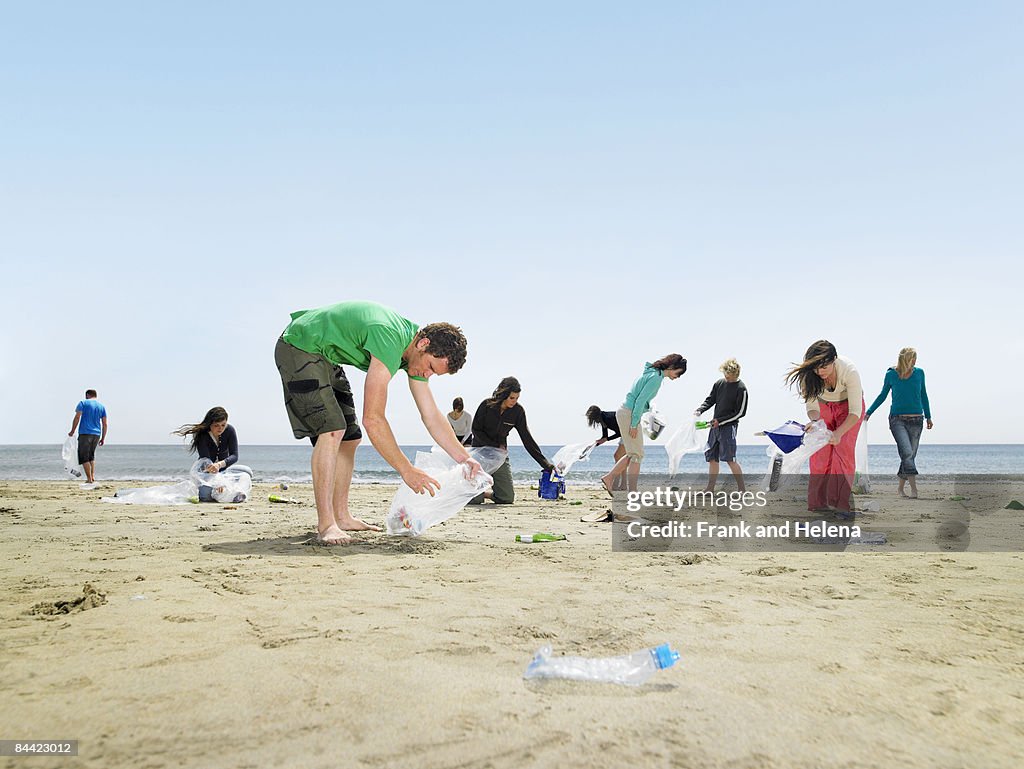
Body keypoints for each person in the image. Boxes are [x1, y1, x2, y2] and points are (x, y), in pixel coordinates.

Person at [275, 300, 479, 544]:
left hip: (325, 355)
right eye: (431, 368)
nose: (428, 375)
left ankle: (342, 516)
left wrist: (464, 457)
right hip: (299, 345)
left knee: (350, 439)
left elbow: (431, 415)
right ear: (424, 344)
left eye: (435, 374)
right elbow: (373, 419)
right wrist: (407, 470)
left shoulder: (413, 354)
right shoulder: (389, 338)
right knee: (332, 431)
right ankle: (326, 525)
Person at [786, 340, 864, 516]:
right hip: (823, 407)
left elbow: (855, 411)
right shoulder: (809, 375)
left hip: (849, 409)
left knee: (843, 450)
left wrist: (838, 433)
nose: (820, 371)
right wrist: (815, 423)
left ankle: (840, 503)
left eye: (824, 366)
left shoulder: (849, 370)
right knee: (820, 451)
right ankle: (818, 502)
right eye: (816, 367)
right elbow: (812, 408)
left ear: (834, 359)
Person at [600, 354, 688, 494]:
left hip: (626, 412)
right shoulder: (656, 378)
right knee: (637, 455)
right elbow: (640, 401)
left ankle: (609, 478)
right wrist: (634, 424)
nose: (677, 377)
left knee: (633, 453)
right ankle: (631, 491)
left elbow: (641, 399)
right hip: (629, 414)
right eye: (678, 373)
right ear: (672, 367)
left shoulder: (652, 373)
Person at [468, 377, 554, 504]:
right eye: (511, 398)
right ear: (504, 394)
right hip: (479, 454)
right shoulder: (486, 405)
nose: (514, 401)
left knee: (506, 498)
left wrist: (546, 465)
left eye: (517, 398)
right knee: (475, 500)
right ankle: (475, 493)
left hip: (499, 456)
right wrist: (495, 445)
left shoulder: (518, 411)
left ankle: (487, 493)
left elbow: (527, 438)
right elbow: (475, 429)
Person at [865, 347, 933, 498]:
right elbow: (882, 395)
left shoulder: (920, 373)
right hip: (897, 419)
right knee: (907, 453)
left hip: (917, 419)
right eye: (912, 358)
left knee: (908, 456)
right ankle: (914, 489)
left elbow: (923, 395)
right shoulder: (891, 374)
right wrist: (869, 411)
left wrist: (928, 416)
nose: (914, 361)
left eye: (915, 358)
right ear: (904, 359)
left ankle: (900, 489)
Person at [695, 358, 748, 493]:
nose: (726, 378)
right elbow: (710, 399)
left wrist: (721, 421)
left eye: (729, 376)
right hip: (715, 426)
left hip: (728, 428)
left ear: (736, 374)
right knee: (712, 458)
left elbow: (740, 413)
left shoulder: (741, 389)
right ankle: (710, 488)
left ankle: (742, 489)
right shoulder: (719, 383)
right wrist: (700, 409)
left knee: (730, 460)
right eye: (725, 375)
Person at [174, 406, 239, 473]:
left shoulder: (230, 430)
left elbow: (234, 456)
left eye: (223, 425)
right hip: (205, 470)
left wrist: (219, 465)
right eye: (216, 425)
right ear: (209, 424)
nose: (220, 428)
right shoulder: (202, 434)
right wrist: (212, 468)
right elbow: (205, 458)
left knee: (246, 471)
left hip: (223, 469)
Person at [68, 389, 107, 487]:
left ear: (87, 395)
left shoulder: (83, 403)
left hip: (85, 433)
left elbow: (77, 417)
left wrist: (72, 430)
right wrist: (103, 438)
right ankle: (92, 477)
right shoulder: (101, 407)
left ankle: (89, 479)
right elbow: (105, 424)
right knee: (91, 456)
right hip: (97, 434)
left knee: (84, 457)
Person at [586, 405, 625, 490]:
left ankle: (615, 483)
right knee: (621, 458)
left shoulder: (607, 418)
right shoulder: (603, 419)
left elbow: (619, 433)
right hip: (625, 433)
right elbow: (604, 437)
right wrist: (591, 446)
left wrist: (607, 439)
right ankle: (623, 485)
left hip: (628, 431)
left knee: (618, 457)